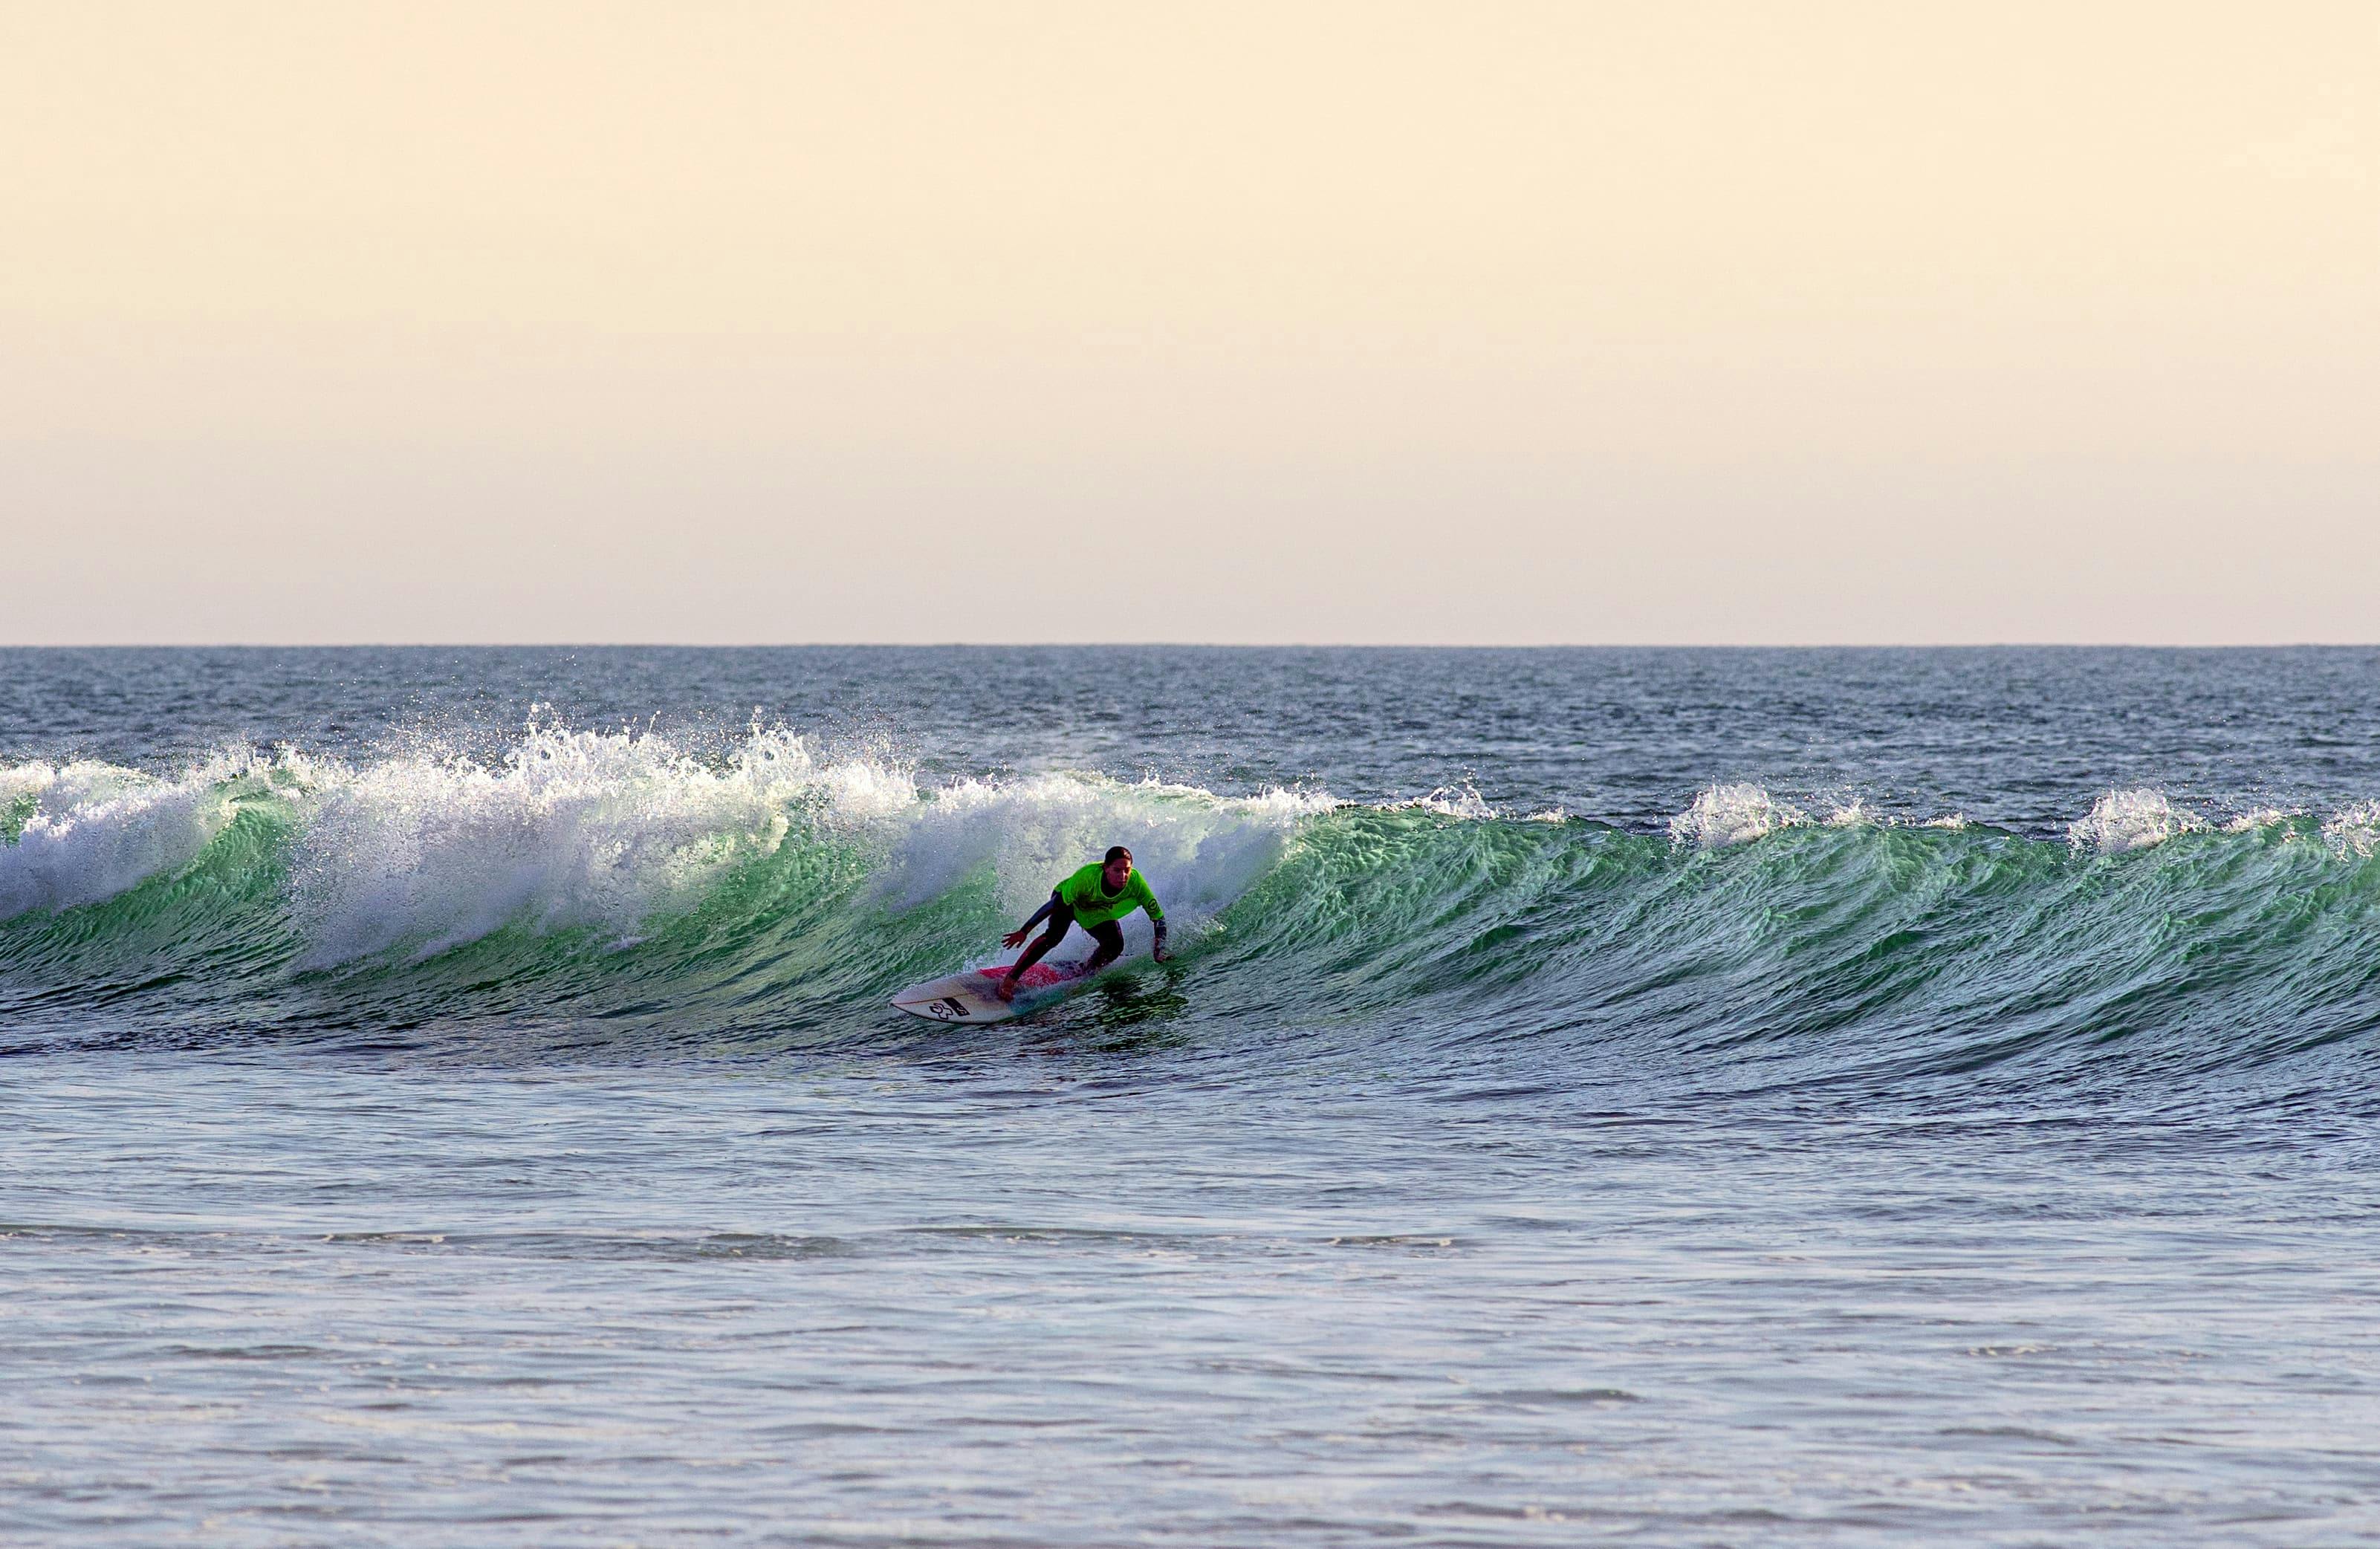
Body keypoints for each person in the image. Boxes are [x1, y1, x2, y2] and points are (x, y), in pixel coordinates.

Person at [996, 845, 1169, 1001]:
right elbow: (1054, 905)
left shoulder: (1136, 883)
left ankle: (1086, 972)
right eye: (1117, 870)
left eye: (1127, 870)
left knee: (1115, 945)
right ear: (1106, 868)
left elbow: (1158, 917)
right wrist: (1025, 930)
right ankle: (1010, 979)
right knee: (1054, 937)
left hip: (1094, 909)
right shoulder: (1087, 877)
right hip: (1068, 901)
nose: (1123, 876)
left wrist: (1159, 949)